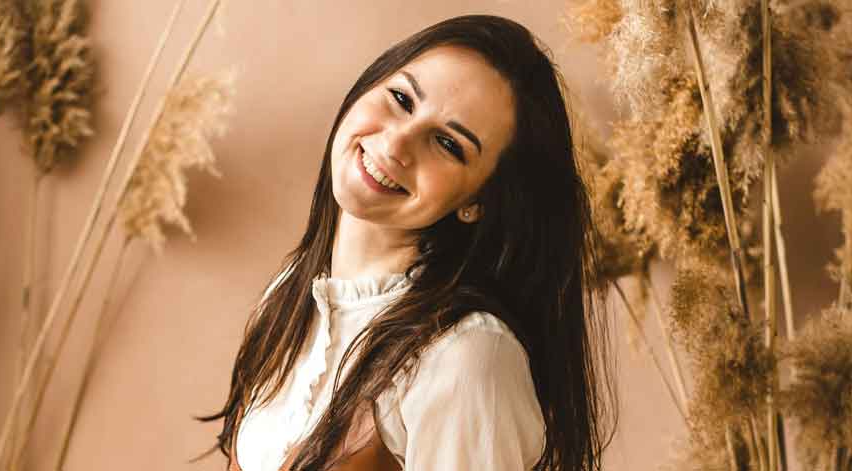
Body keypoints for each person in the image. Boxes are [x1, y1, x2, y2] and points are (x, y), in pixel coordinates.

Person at [195, 14, 615, 471]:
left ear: (478, 201)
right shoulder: (289, 295)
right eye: (401, 99)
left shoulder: (466, 358)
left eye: (449, 144)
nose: (397, 143)